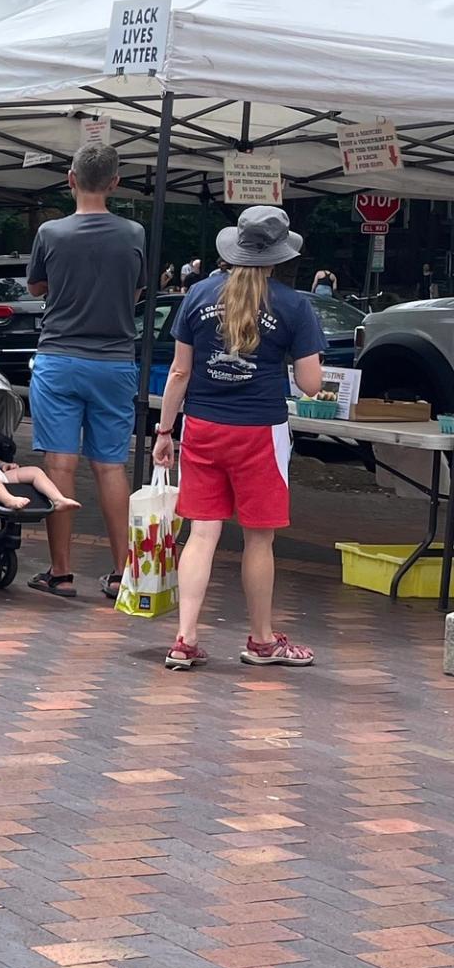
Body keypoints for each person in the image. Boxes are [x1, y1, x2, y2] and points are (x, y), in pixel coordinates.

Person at [153, 205, 324, 670]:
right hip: (260, 432)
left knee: (201, 533)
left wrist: (165, 430)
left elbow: (179, 371)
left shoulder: (198, 294)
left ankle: (184, 639)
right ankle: (262, 641)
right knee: (258, 539)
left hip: (203, 426)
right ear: (278, 255)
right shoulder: (293, 305)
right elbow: (311, 384)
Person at [23, 142, 146, 599]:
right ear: (114, 183)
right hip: (115, 361)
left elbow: (38, 284)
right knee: (111, 467)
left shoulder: (51, 234)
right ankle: (123, 573)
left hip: (60, 357)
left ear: (70, 179)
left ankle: (61, 571)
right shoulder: (133, 232)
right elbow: (136, 291)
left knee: (60, 463)